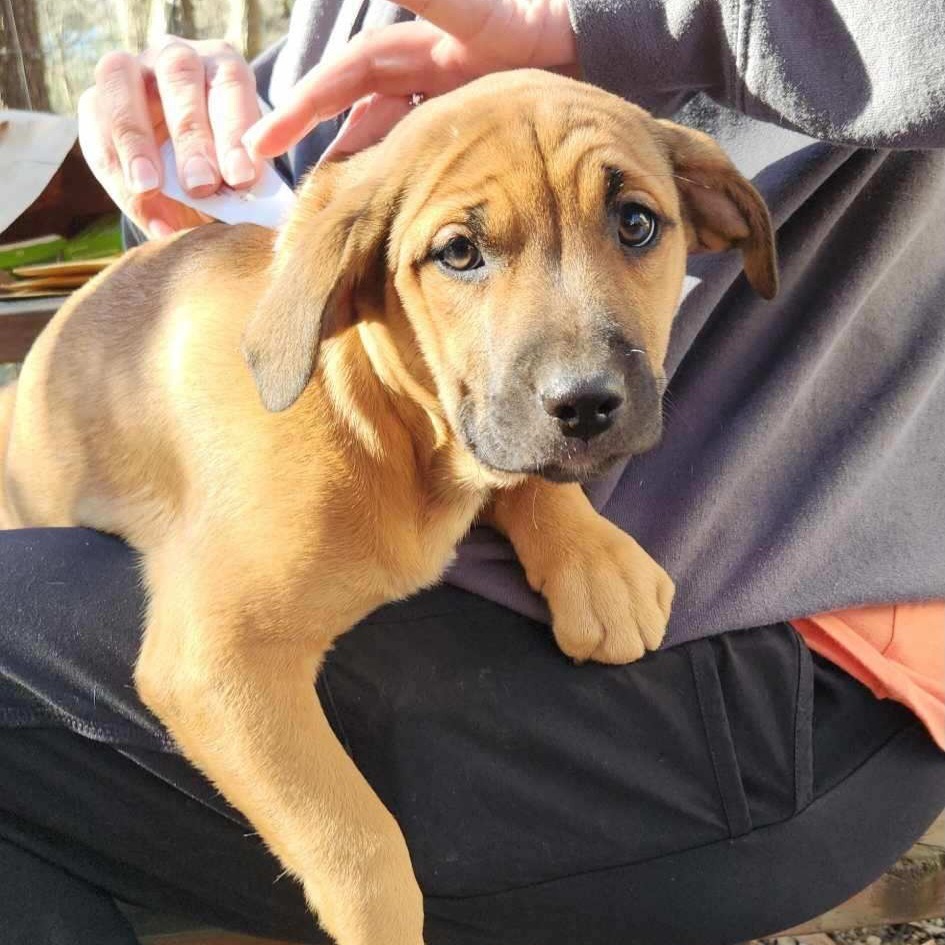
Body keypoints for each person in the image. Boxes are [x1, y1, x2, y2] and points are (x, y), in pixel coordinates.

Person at [1, 2, 943, 943]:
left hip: (781, 695)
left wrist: (624, 24)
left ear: (713, 214)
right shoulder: (343, 89)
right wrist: (178, 142)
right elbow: (259, 303)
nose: (580, 365)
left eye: (631, 222)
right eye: (464, 250)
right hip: (344, 616)